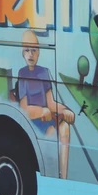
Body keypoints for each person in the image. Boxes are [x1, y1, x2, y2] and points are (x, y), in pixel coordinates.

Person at [15, 29, 75, 179]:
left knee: (65, 128)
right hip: (33, 122)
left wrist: (66, 110)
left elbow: (51, 103)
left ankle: (64, 177)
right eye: (27, 50)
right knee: (50, 134)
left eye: (34, 50)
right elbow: (24, 108)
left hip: (47, 118)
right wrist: (41, 111)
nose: (30, 54)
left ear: (39, 52)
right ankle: (49, 175)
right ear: (22, 52)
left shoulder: (44, 72)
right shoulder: (22, 74)